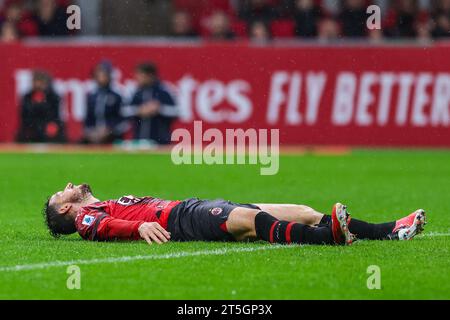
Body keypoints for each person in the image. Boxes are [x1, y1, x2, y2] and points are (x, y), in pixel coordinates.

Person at [43, 183, 427, 245]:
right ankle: (332, 238)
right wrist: (138, 225)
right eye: (63, 191)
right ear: (66, 207)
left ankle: (390, 230)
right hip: (180, 219)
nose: (71, 183)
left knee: (303, 211)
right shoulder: (85, 218)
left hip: (188, 207)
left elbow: (107, 216)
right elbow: (101, 226)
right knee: (247, 222)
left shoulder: (103, 204)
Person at [122, 62, 178, 145]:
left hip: (160, 142)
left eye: (141, 75)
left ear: (150, 76)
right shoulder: (136, 92)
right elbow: (124, 111)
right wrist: (139, 110)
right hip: (138, 141)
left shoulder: (164, 91)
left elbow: (176, 111)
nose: (137, 78)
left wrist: (159, 109)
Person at [82, 61, 126, 144]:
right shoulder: (91, 97)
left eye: (104, 75)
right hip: (93, 137)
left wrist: (109, 130)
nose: (101, 78)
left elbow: (123, 121)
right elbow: (87, 119)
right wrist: (91, 132)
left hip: (112, 137)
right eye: (99, 75)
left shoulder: (117, 96)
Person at [16, 70, 65, 143]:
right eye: (36, 81)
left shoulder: (53, 97)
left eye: (40, 82)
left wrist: (52, 125)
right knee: (22, 135)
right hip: (32, 127)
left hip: (48, 126)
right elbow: (24, 116)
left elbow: (55, 115)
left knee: (57, 134)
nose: (38, 84)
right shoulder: (27, 97)